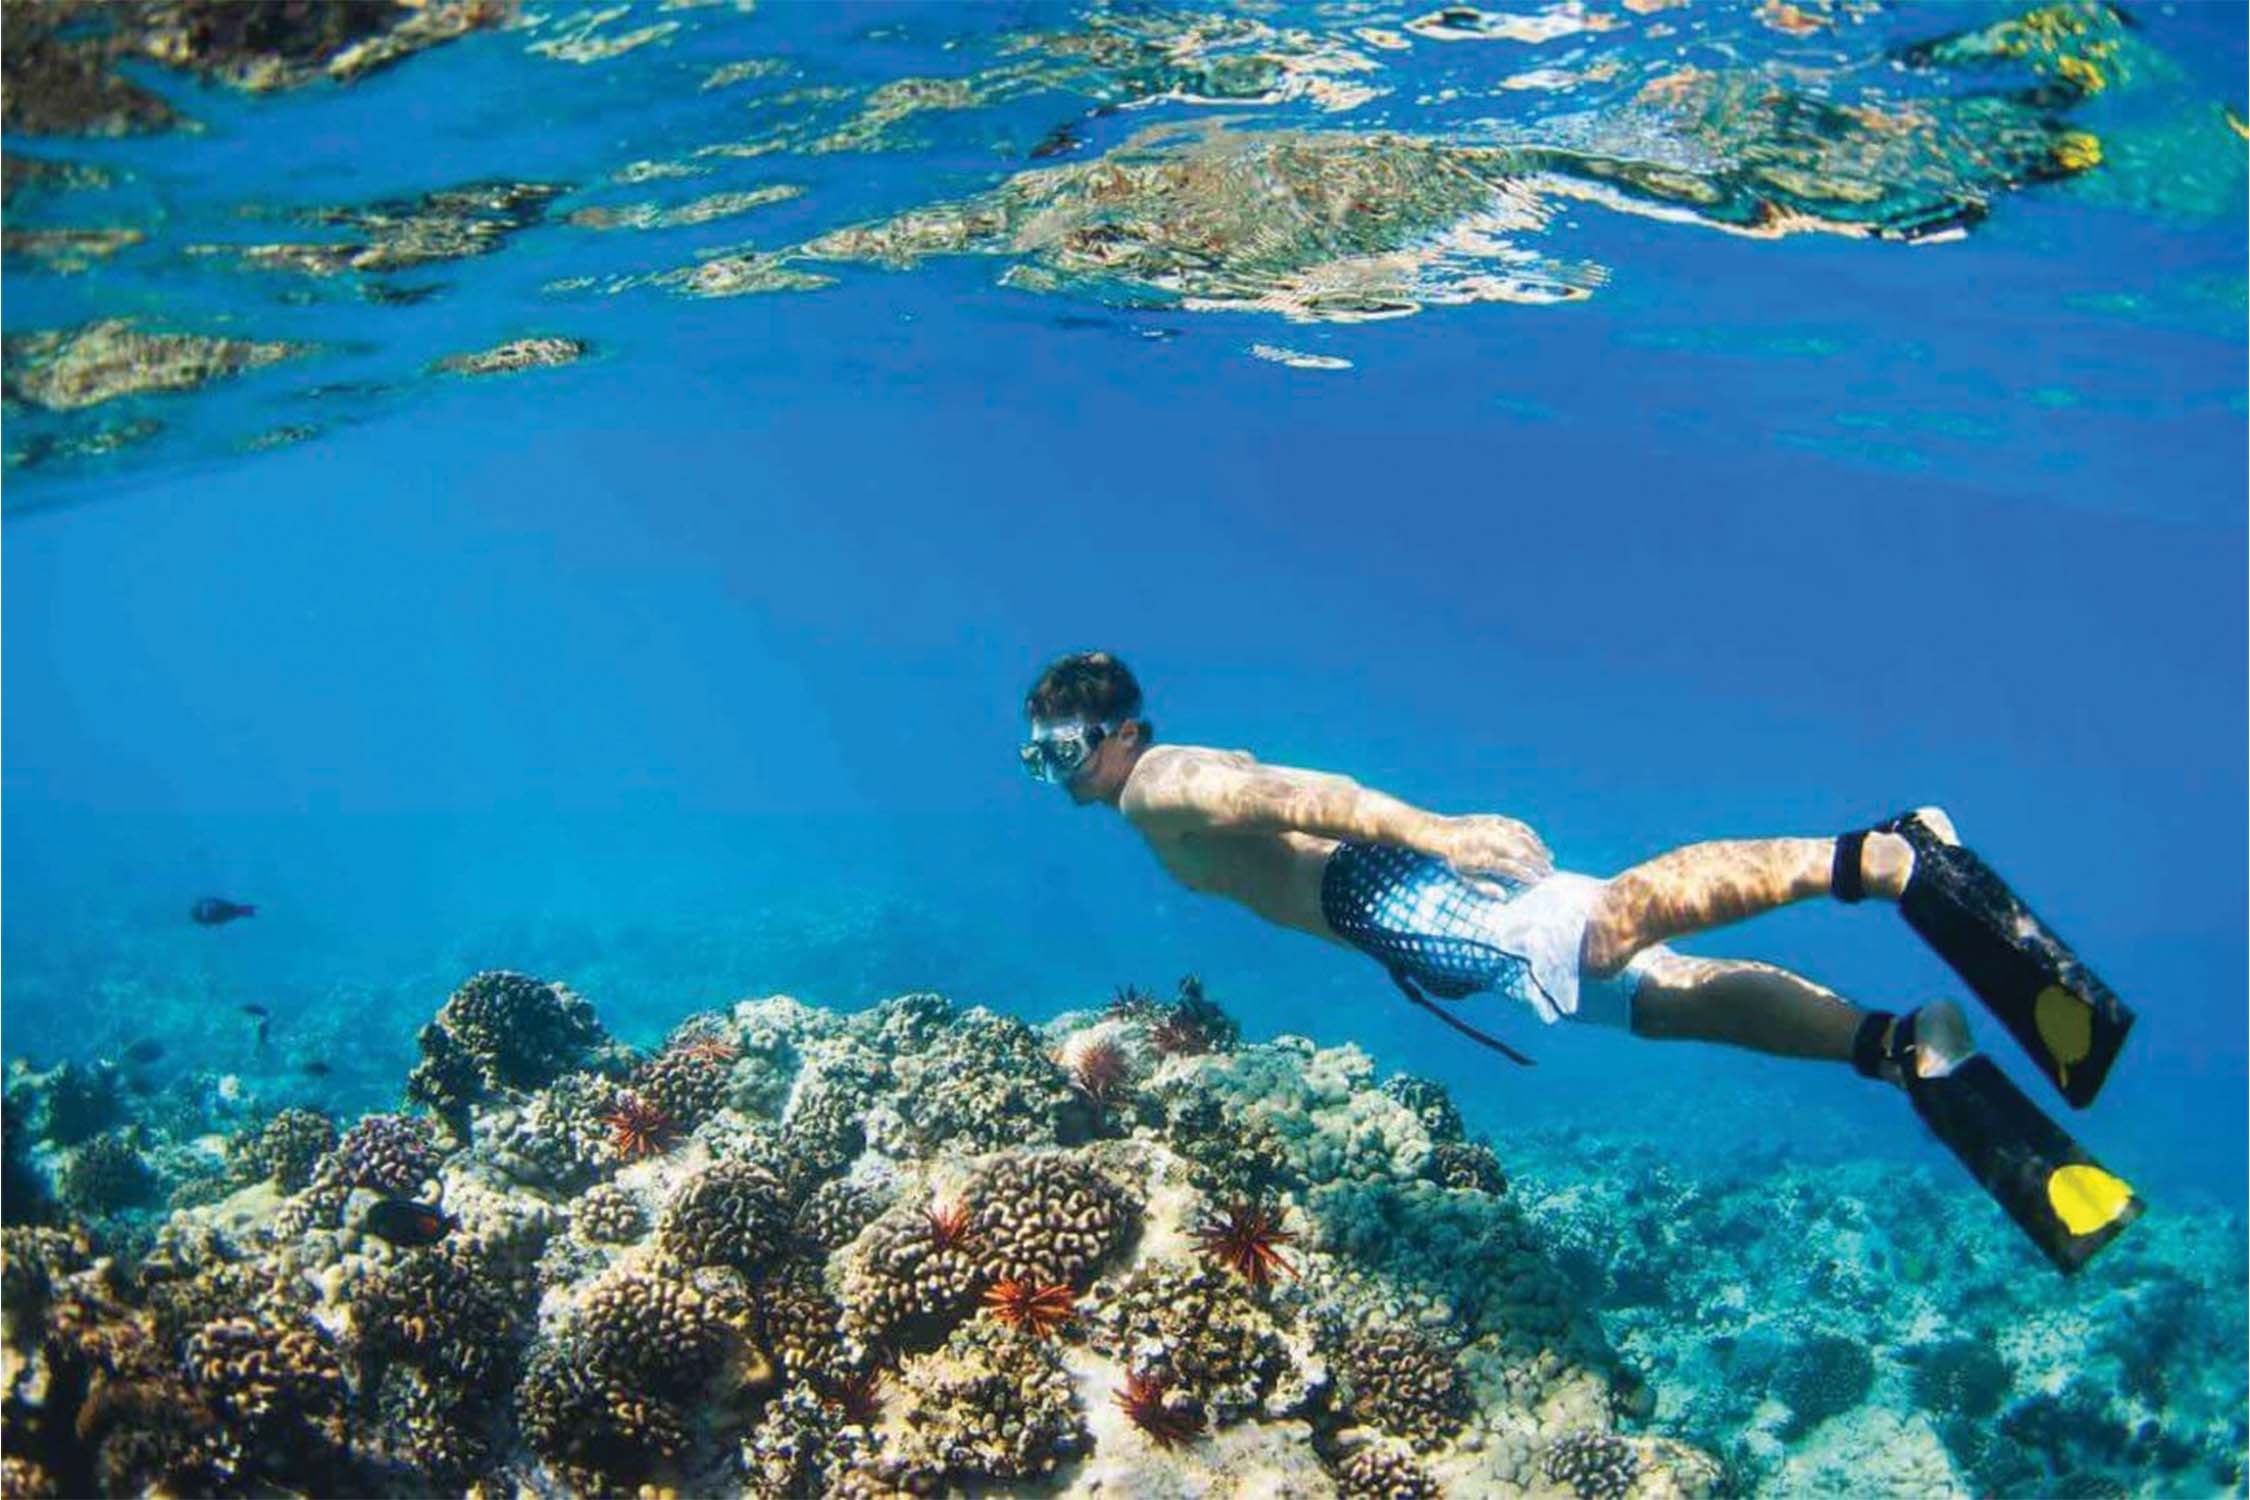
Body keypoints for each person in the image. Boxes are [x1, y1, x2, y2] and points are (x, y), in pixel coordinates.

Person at [1018, 650, 2142, 1273]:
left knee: (1611, 927)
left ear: (1120, 733)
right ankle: (1899, 1047)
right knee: (1661, 1001)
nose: (1055, 771)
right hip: (1403, 922)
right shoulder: (1151, 793)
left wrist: (1436, 834)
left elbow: (1294, 796)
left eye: (1064, 749)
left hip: (1402, 894)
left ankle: (1886, 855)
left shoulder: (1159, 785)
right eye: (1037, 757)